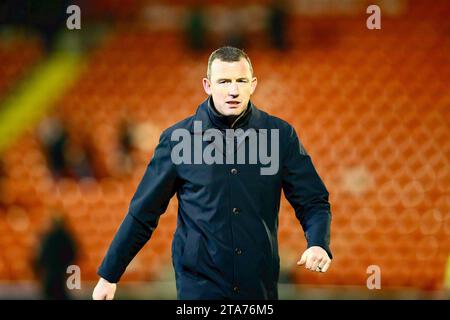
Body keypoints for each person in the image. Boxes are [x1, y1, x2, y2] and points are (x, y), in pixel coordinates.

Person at [93, 46, 332, 300]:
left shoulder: (280, 136)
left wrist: (318, 241)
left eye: (241, 81)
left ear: (253, 84)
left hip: (258, 287)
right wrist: (109, 275)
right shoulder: (178, 140)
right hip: (199, 287)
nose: (233, 90)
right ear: (207, 85)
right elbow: (143, 213)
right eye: (224, 81)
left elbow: (313, 200)